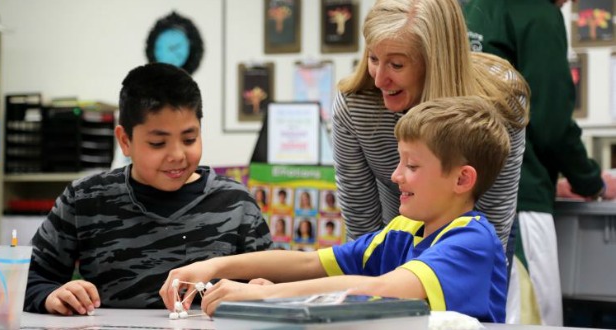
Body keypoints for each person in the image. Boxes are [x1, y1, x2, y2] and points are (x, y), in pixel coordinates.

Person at [160, 96, 511, 322]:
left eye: (413, 166)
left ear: (463, 179)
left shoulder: (471, 240)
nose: (395, 175)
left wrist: (265, 295)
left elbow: (385, 288)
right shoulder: (403, 229)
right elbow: (310, 263)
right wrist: (214, 265)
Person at [24, 63, 273, 315]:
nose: (177, 155)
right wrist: (50, 295)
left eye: (189, 139)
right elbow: (24, 278)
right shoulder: (85, 199)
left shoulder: (236, 202)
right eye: (157, 143)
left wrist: (267, 289)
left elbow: (280, 281)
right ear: (125, 141)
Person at [331, 0, 529, 256]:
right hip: (393, 239)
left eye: (397, 65)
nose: (380, 79)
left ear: (436, 60)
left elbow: (493, 221)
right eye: (373, 58)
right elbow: (362, 229)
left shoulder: (501, 99)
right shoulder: (354, 105)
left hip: (475, 244)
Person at [463, 0, 616, 325]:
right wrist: (592, 181)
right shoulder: (536, 13)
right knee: (533, 318)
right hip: (519, 202)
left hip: (463, 197)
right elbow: (550, 125)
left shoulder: (469, 8)